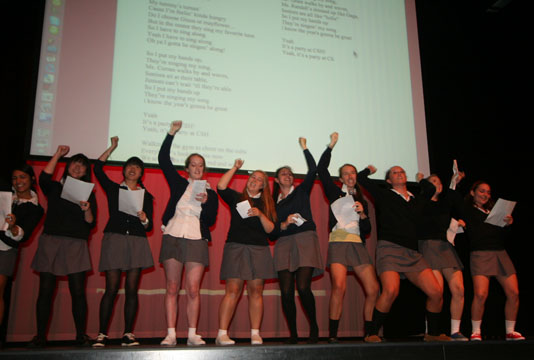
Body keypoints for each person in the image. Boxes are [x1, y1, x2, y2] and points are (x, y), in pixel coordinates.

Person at [358, 162, 449, 342]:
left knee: (436, 292)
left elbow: (430, 190)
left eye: (402, 172)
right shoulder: (383, 195)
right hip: (389, 249)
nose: (399, 174)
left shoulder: (416, 200)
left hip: (412, 253)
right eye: (395, 172)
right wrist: (369, 170)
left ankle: (432, 333)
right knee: (391, 291)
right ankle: (372, 333)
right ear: (389, 180)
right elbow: (361, 179)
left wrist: (422, 180)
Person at [28, 146, 97, 347]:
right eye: (75, 163)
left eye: (82, 166)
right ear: (68, 166)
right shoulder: (56, 187)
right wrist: (58, 154)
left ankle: (80, 335)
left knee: (78, 291)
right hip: (52, 241)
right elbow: (43, 180)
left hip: (76, 243)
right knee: (46, 290)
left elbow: (91, 223)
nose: (78, 167)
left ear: (86, 172)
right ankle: (40, 336)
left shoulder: (88, 193)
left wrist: (87, 209)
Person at [158, 121, 218, 346]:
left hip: (196, 238)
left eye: (200, 165)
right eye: (193, 165)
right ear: (187, 168)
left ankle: (193, 334)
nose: (197, 168)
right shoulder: (178, 183)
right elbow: (164, 160)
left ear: (204, 169)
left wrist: (207, 202)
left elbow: (211, 221)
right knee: (172, 286)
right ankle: (171, 334)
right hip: (173, 234)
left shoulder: (210, 192)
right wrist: (171, 133)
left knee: (193, 288)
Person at [317, 132, 380, 343]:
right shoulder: (335, 193)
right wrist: (331, 146)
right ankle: (333, 335)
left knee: (373, 289)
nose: (351, 176)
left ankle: (369, 332)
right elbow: (321, 170)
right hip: (339, 244)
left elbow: (368, 229)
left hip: (357, 245)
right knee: (339, 287)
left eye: (353, 172)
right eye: (346, 173)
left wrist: (362, 213)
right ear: (341, 178)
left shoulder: (362, 198)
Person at [92, 137, 154, 347]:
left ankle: (128, 333)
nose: (132, 169)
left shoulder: (147, 196)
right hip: (115, 239)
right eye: (129, 166)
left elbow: (150, 226)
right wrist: (112, 147)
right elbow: (98, 168)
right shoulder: (114, 189)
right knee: (111, 288)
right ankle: (102, 334)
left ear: (141, 173)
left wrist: (145, 218)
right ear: (124, 170)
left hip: (137, 241)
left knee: (131, 290)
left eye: (137, 167)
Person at [215, 159, 277, 346]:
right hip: (236, 246)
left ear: (263, 186)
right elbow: (220, 186)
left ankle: (255, 333)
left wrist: (260, 214)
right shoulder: (237, 198)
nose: (254, 180)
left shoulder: (268, 204)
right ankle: (222, 333)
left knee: (256, 291)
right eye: (252, 177)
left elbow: (271, 231)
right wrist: (235, 167)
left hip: (259, 249)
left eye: (259, 179)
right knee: (232, 290)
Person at [272, 137, 323, 344]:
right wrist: (282, 223)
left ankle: (314, 328)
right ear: (276, 180)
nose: (288, 176)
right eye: (283, 174)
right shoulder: (273, 204)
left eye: (290, 174)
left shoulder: (301, 191)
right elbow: (272, 231)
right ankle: (292, 334)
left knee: (303, 287)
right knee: (285, 292)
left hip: (305, 239)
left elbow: (313, 170)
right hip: (284, 242)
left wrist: (305, 148)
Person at [463, 181, 523, 341]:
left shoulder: (494, 210)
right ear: (472, 192)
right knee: (481, 294)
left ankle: (510, 331)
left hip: (500, 252)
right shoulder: (468, 210)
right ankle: (476, 331)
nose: (485, 195)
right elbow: (478, 233)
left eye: (488, 193)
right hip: (480, 254)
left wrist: (508, 224)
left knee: (514, 292)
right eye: (482, 191)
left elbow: (502, 235)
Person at [416, 172, 467, 341]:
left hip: (445, 247)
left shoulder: (445, 203)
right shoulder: (421, 203)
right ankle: (431, 331)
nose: (435, 184)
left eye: (438, 181)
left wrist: (454, 182)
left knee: (459, 289)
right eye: (432, 182)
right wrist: (422, 184)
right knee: (437, 291)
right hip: (428, 245)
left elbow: (454, 200)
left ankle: (455, 330)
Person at [0, 165, 44, 347]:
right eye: (15, 178)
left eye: (23, 177)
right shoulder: (5, 196)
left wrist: (12, 226)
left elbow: (22, 236)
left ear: (32, 179)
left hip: (5, 249)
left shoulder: (35, 208)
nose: (18, 182)